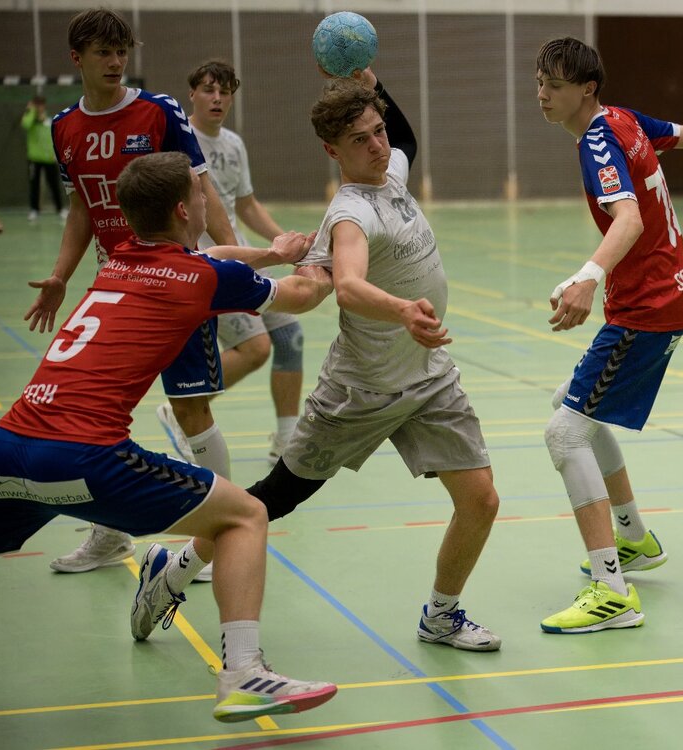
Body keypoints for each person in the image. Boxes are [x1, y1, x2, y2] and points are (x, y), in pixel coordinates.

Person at [157, 71, 505, 652]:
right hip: (359, 391)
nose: (378, 146)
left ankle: (441, 616)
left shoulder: (392, 171)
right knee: (273, 499)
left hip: (427, 379)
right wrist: (402, 310)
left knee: (481, 500)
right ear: (333, 151)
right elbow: (346, 286)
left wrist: (375, 83)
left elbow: (406, 142)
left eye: (378, 131)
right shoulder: (350, 215)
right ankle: (174, 569)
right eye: (361, 140)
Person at [0, 151, 337, 722]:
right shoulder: (201, 277)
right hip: (87, 457)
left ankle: (167, 583)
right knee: (246, 515)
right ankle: (244, 673)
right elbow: (301, 295)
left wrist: (271, 253)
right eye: (201, 195)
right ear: (184, 209)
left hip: (8, 446)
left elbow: (208, 257)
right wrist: (328, 260)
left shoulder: (119, 261)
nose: (207, 202)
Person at [535, 36, 683, 633]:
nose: (542, 95)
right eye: (540, 83)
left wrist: (587, 277)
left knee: (563, 434)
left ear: (587, 89)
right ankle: (633, 539)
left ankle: (611, 592)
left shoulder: (599, 140)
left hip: (647, 307)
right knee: (571, 407)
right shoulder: (623, 119)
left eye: (555, 85)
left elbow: (627, 219)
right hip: (665, 294)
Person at [28, 9, 240, 575]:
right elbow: (81, 208)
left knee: (190, 408)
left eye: (122, 51)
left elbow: (202, 188)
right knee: (94, 411)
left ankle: (220, 535)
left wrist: (232, 261)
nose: (116, 61)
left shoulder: (159, 111)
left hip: (174, 277)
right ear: (77, 58)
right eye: (104, 52)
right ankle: (108, 535)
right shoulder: (64, 127)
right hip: (114, 282)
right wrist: (60, 276)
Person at [186, 59, 305, 472]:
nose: (217, 98)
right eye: (208, 90)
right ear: (192, 94)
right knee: (256, 349)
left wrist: (286, 243)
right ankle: (187, 409)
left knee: (290, 335)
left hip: (241, 253)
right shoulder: (181, 141)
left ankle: (287, 439)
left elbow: (247, 205)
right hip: (208, 263)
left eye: (226, 92)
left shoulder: (234, 144)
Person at [22, 95, 65, 222]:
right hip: (34, 159)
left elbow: (51, 137)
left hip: (49, 158)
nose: (39, 107)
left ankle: (60, 209)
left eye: (41, 104)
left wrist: (55, 154)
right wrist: (30, 111)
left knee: (54, 184)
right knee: (34, 185)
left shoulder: (48, 119)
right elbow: (25, 124)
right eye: (37, 104)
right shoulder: (30, 118)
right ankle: (34, 210)